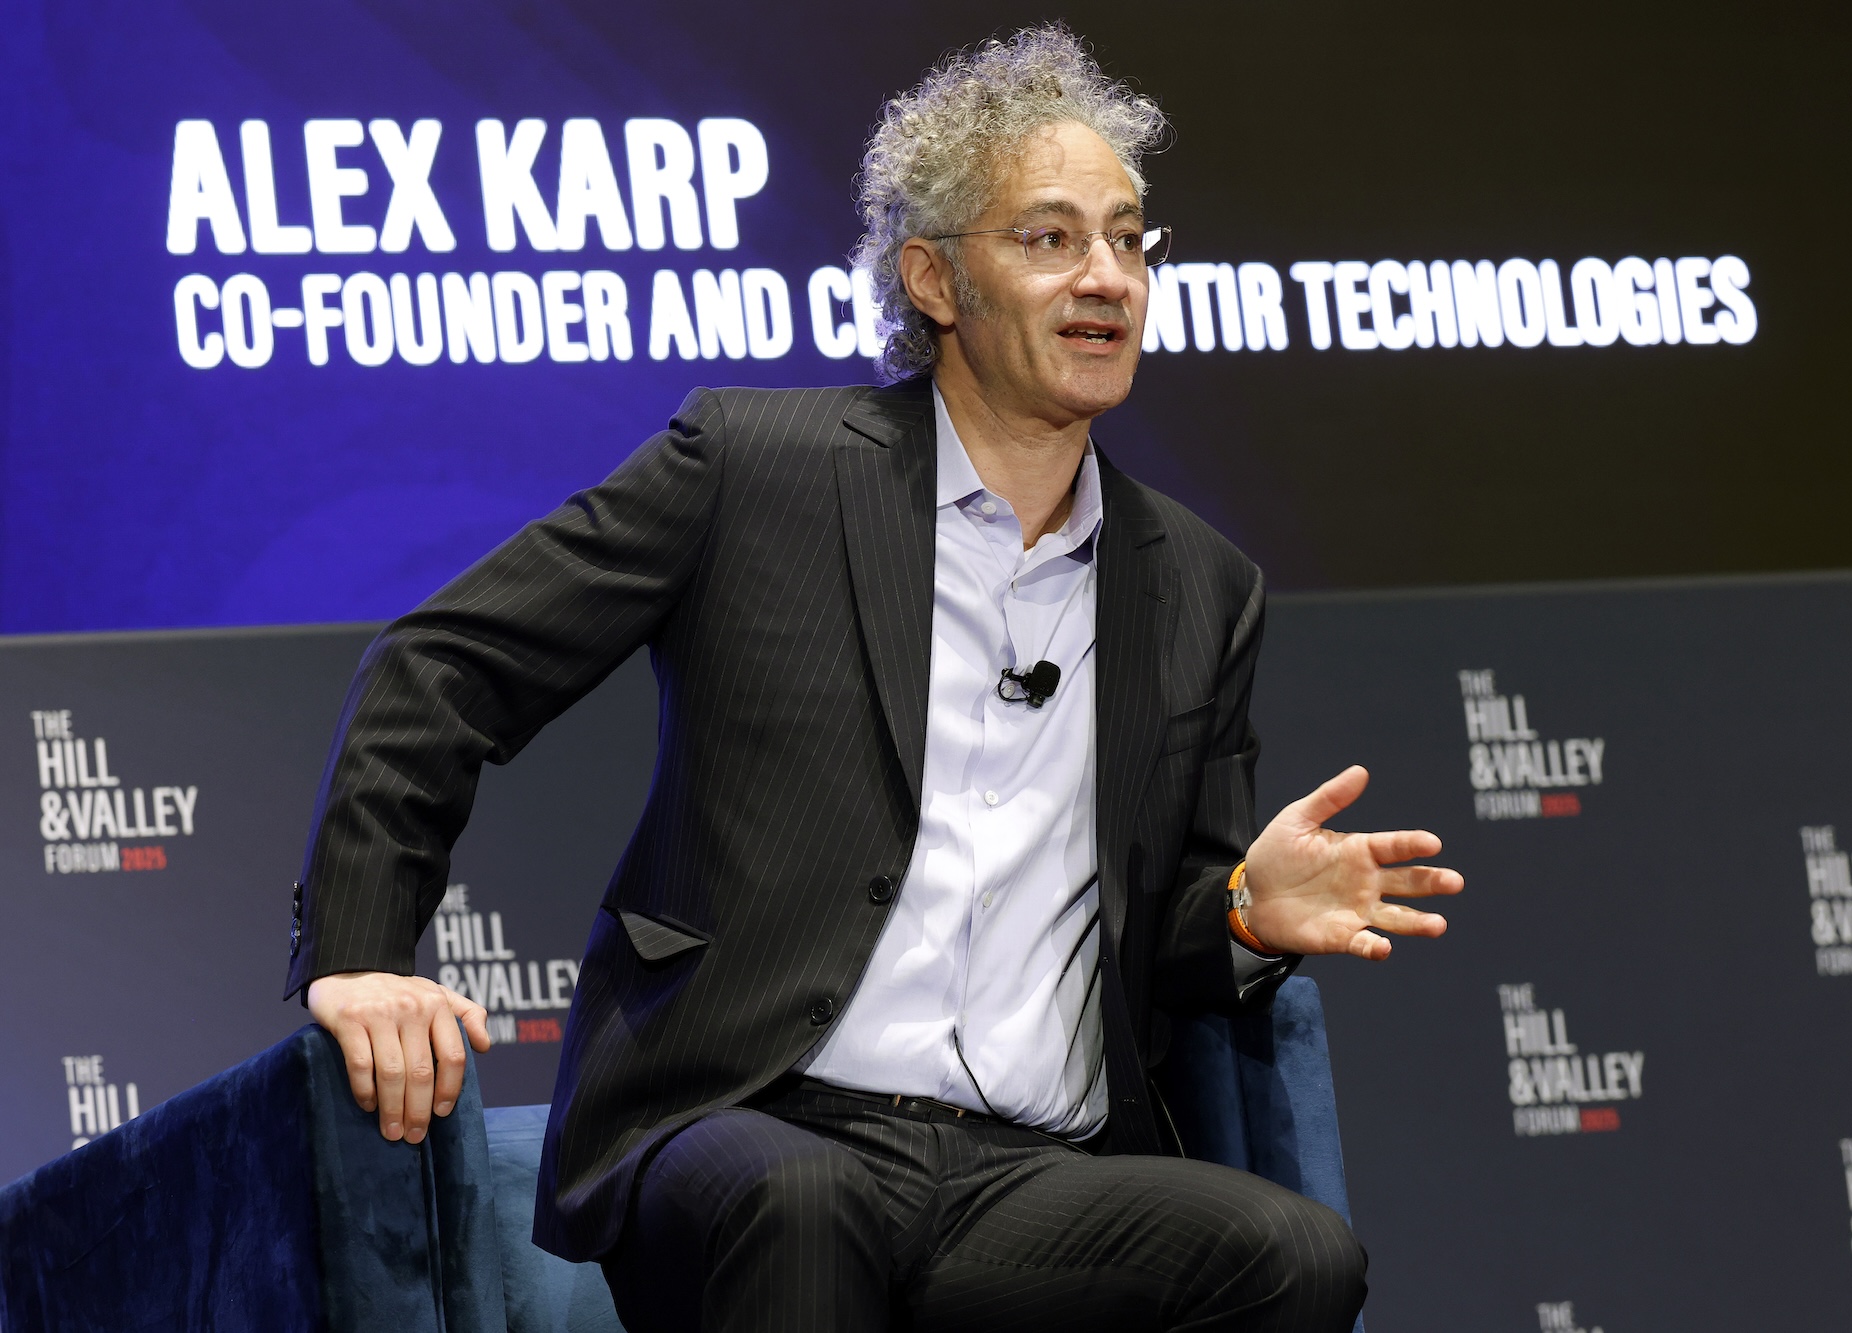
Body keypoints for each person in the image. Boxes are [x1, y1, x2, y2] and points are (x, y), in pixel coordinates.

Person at [288, 24, 1462, 1332]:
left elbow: (1164, 923)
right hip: (741, 1119)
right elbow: (446, 662)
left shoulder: (1198, 584)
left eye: (1131, 240)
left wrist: (1242, 905)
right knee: (809, 1206)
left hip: (1031, 1172)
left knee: (1292, 1257)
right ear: (935, 279)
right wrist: (360, 949)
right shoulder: (755, 469)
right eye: (1051, 238)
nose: (1107, 278)